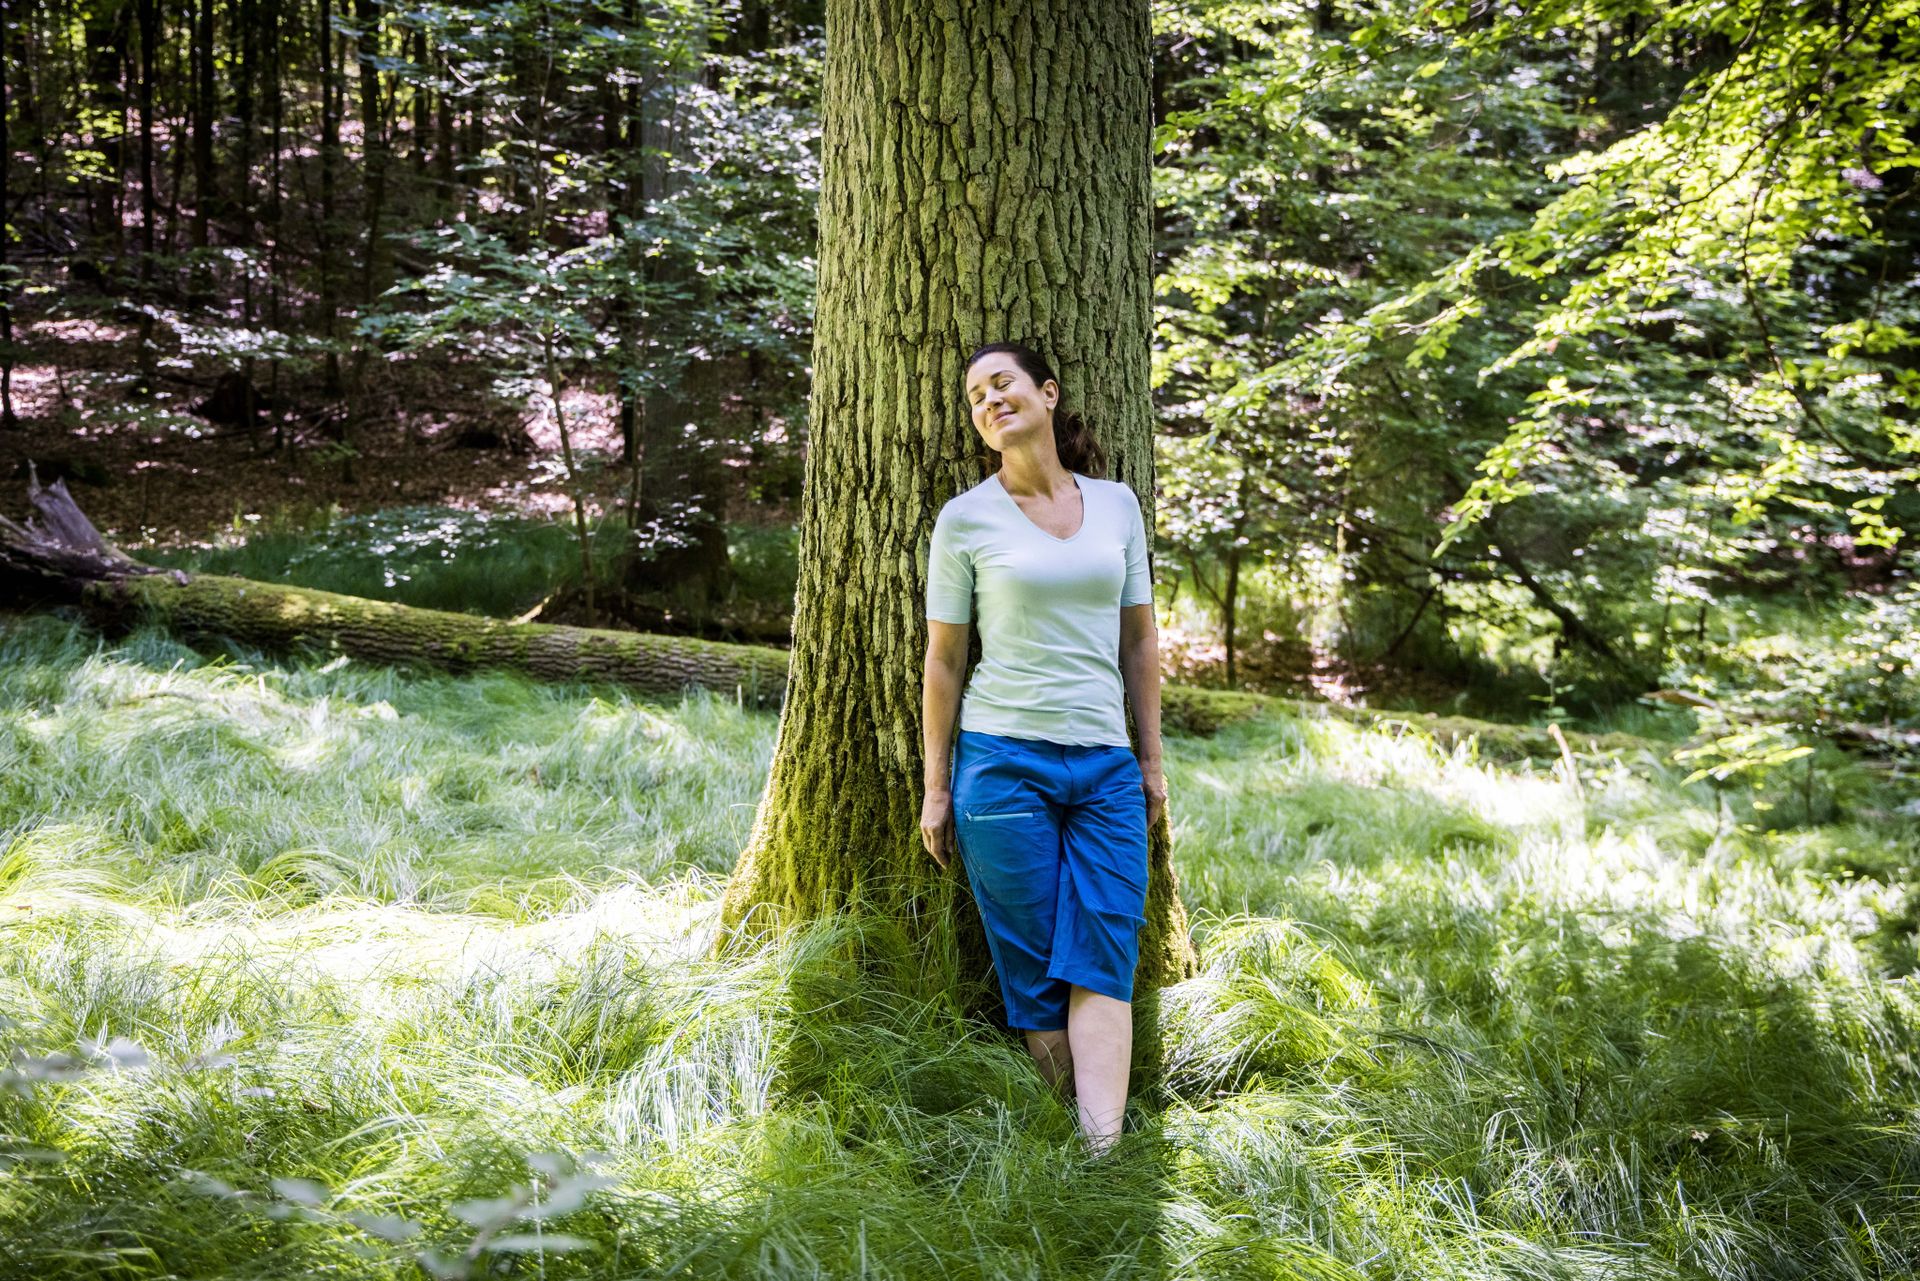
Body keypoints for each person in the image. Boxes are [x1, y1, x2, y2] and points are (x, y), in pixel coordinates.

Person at [919, 341, 1167, 1157]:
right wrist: (936, 785)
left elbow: (1140, 642)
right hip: (1000, 763)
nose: (990, 399)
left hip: (1104, 764)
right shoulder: (965, 519)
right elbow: (946, 660)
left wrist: (1150, 761)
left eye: (1004, 382)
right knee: (1034, 972)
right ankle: (1076, 1137)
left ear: (1047, 394)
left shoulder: (1118, 504)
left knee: (1103, 951)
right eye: (975, 394)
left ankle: (1102, 1158)